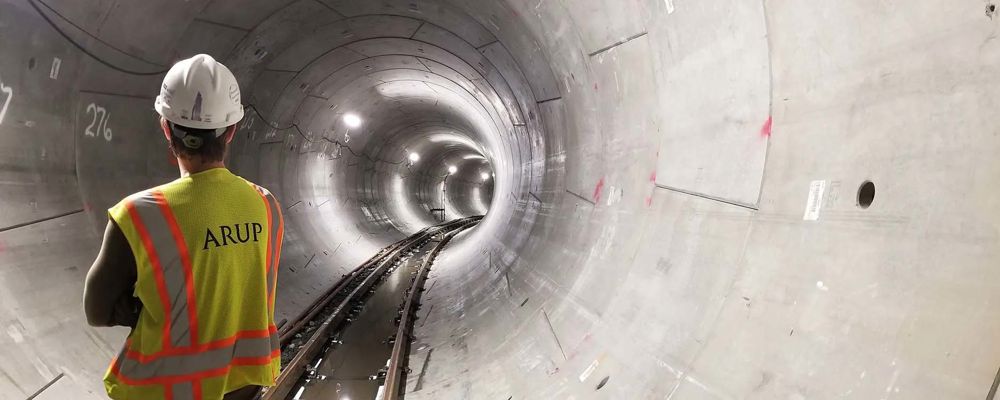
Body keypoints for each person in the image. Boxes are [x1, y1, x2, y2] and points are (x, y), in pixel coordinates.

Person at [83, 54, 284, 400]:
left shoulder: (138, 215)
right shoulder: (266, 205)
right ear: (232, 131)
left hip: (161, 390)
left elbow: (96, 311)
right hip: (241, 385)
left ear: (165, 127)